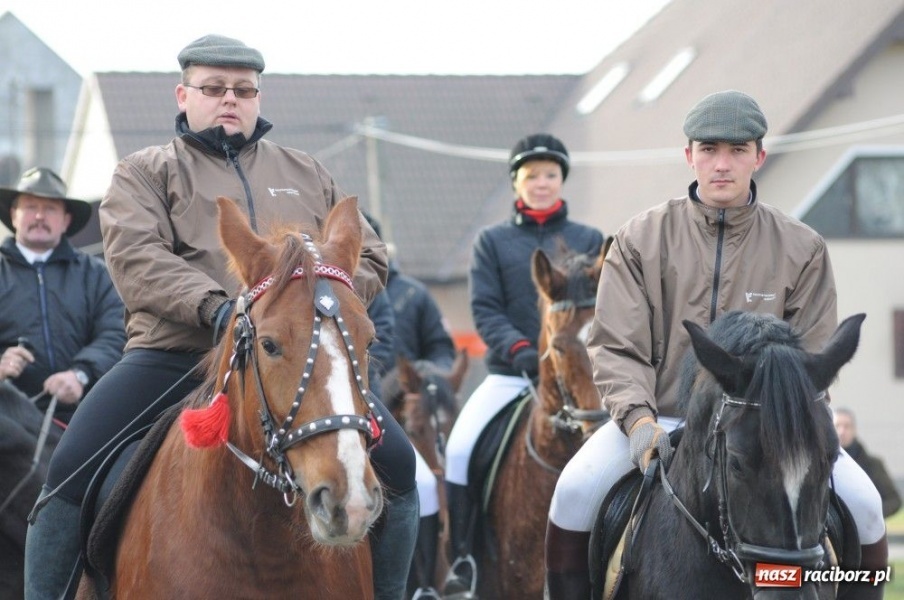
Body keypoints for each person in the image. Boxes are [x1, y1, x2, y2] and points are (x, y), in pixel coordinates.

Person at [23, 35, 417, 600]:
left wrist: (316, 299)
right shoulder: (143, 172)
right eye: (213, 88)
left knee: (401, 466)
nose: (229, 98)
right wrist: (219, 308)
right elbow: (137, 258)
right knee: (68, 472)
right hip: (173, 356)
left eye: (243, 90)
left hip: (295, 359)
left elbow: (368, 255)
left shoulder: (307, 171)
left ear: (258, 98)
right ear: (183, 95)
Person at [544, 90, 888, 599]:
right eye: (709, 149)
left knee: (866, 507)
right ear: (689, 155)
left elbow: (815, 356)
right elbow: (616, 346)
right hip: (657, 421)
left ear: (758, 156)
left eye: (737, 150)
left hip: (763, 431)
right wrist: (637, 421)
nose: (722, 164)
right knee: (573, 493)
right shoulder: (637, 240)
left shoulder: (803, 247)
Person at [441, 133, 605, 598]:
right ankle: (464, 560)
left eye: (550, 174)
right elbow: (485, 309)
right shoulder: (492, 242)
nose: (541, 183)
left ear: (561, 180)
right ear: (517, 182)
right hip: (511, 374)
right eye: (532, 176)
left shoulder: (590, 240)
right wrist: (520, 350)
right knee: (459, 450)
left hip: (581, 377)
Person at [0, 167, 125, 426]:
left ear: (66, 220)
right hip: (7, 421)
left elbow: (116, 332)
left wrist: (80, 374)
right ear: (13, 214)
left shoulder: (94, 274)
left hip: (83, 417)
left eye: (50, 209)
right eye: (30, 207)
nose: (39, 216)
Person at [834, 407, 901, 518]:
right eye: (837, 426)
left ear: (854, 430)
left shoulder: (873, 465)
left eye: (847, 426)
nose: (842, 431)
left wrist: (870, 516)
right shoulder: (821, 466)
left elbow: (893, 500)